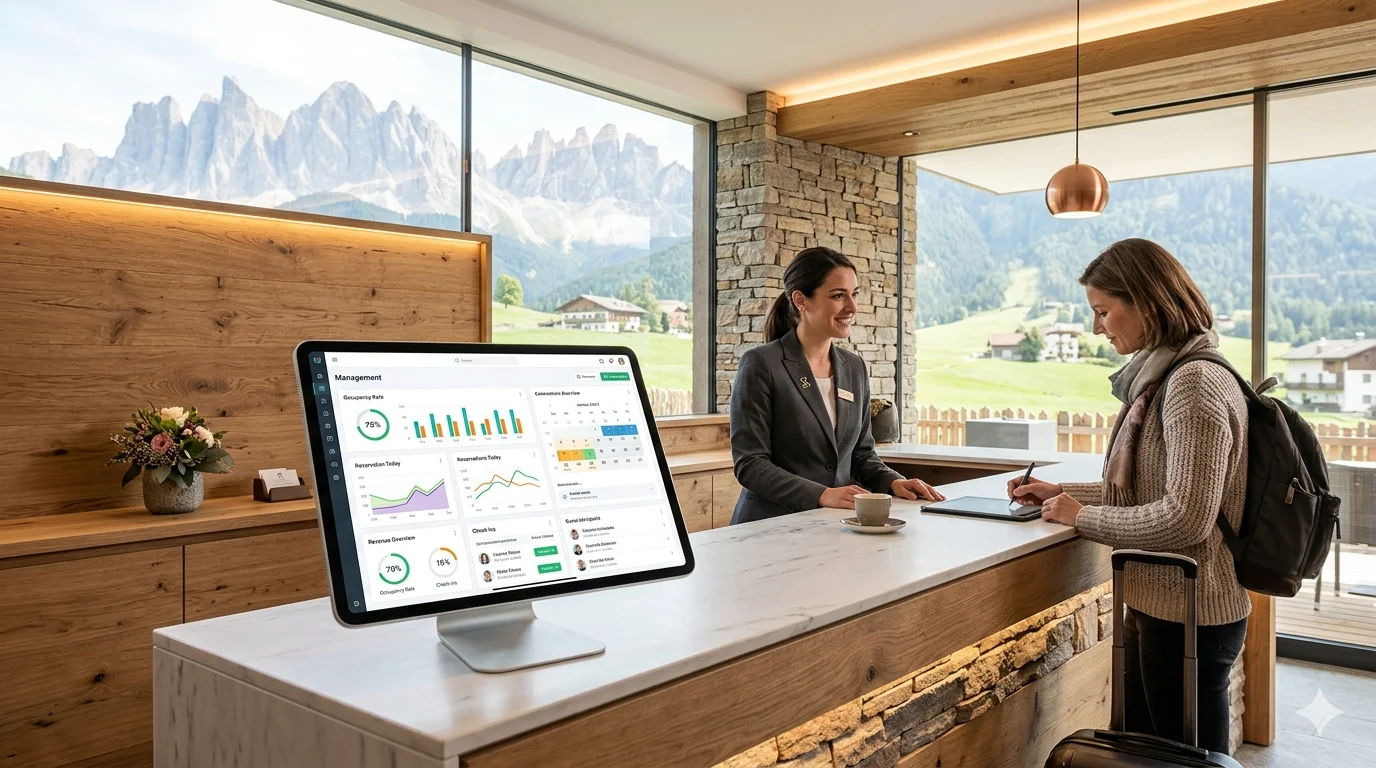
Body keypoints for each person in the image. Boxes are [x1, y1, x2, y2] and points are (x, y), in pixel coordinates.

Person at [1008, 238, 1249, 754]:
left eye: (1103, 311)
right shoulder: (1166, 375)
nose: (1097, 327)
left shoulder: (1193, 384)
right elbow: (1145, 491)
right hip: (1165, 606)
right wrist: (1060, 492)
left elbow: (1187, 519)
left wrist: (1082, 518)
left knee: (1182, 761)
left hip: (1190, 615)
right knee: (1151, 757)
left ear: (1144, 301)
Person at [729, 246, 944, 525]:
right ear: (801, 300)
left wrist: (892, 481)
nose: (852, 307)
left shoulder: (854, 368)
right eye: (838, 296)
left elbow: (861, 455)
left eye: (854, 294)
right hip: (769, 525)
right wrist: (822, 494)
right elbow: (750, 465)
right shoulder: (762, 364)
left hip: (834, 527)